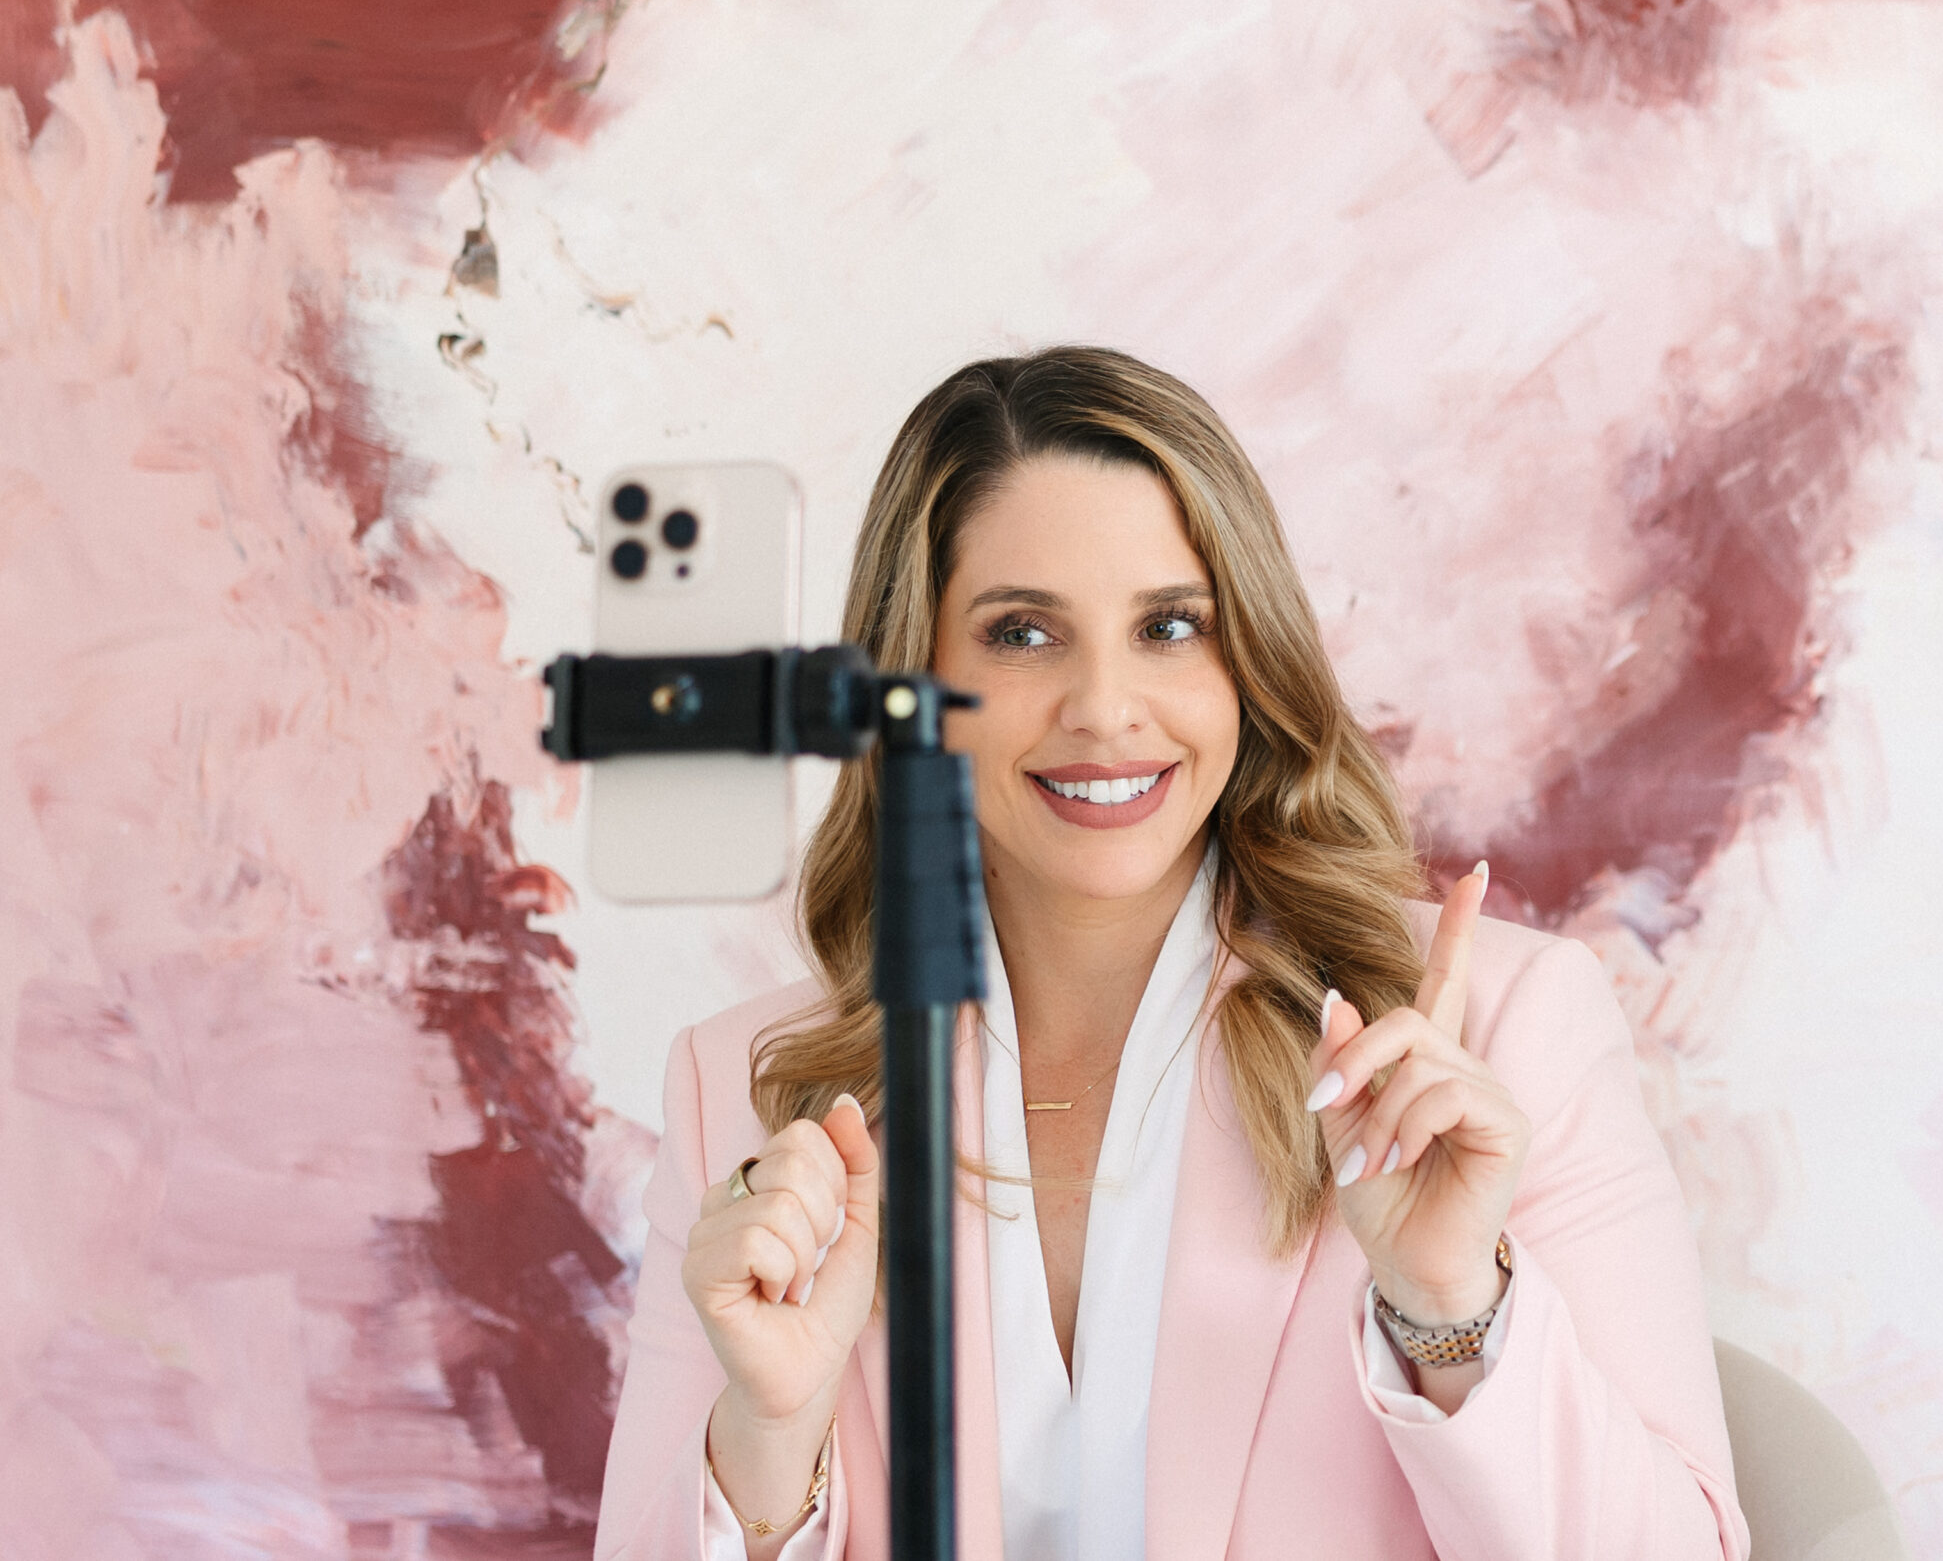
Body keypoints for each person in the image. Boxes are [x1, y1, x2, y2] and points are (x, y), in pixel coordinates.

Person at [595, 347, 1747, 1561]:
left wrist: (1453, 1310)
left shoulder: (1497, 1038)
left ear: (1246, 658)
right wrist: (771, 1431)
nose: (1103, 705)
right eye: (1023, 632)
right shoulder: (745, 1093)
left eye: (1170, 626)